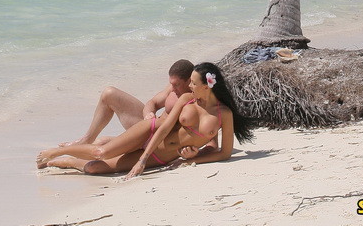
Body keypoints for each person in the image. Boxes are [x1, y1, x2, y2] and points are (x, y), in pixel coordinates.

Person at [37, 61, 253, 176]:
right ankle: (57, 151)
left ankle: (69, 162)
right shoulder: (187, 98)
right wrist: (141, 160)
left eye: (194, 84)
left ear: (206, 87)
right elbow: (164, 126)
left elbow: (224, 152)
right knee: (101, 152)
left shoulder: (224, 114)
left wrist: (191, 159)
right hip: (150, 132)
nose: (190, 87)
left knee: (95, 168)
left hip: (163, 157)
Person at [60, 59, 194, 146]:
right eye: (171, 83)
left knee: (102, 143)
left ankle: (66, 153)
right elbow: (152, 102)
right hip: (149, 126)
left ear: (189, 81)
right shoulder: (172, 89)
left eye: (177, 84)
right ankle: (86, 139)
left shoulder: (198, 98)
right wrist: (149, 113)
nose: (173, 88)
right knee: (109, 93)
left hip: (160, 141)